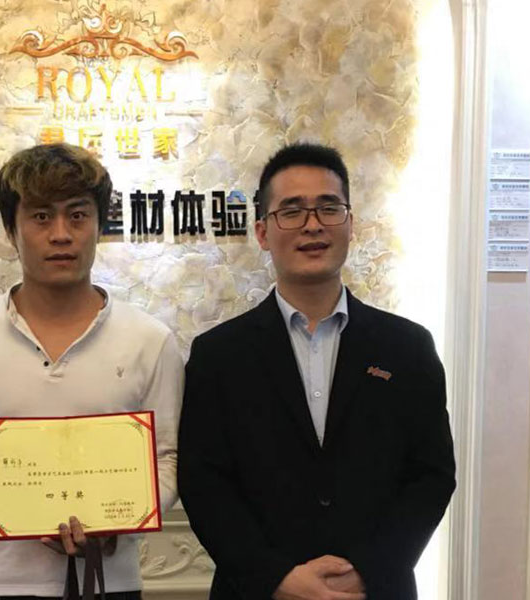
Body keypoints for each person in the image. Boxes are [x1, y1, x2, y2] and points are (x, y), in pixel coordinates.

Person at [177, 143, 456, 600]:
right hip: (256, 591)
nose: (312, 224)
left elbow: (431, 475)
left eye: (329, 207)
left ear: (351, 224)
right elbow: (204, 482)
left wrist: (369, 569)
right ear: (263, 232)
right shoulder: (218, 355)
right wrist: (276, 577)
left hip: (373, 589)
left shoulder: (408, 347)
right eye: (291, 211)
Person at [0, 143, 184, 600]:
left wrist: (115, 520)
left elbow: (168, 459)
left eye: (78, 215)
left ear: (99, 226)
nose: (61, 234)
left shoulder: (150, 340)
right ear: (11, 229)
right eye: (41, 217)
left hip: (110, 584)